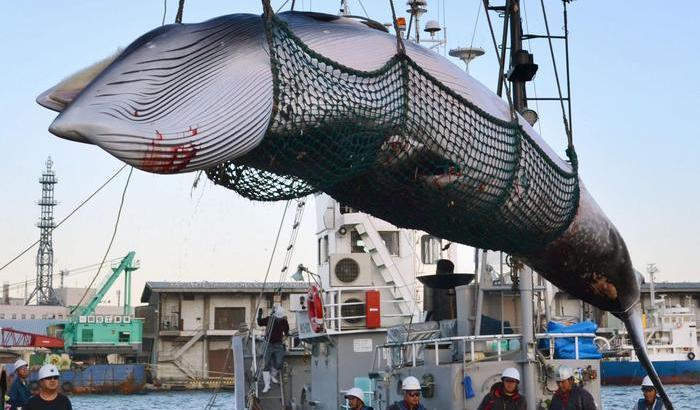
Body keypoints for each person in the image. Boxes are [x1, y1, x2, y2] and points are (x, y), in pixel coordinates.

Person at [257, 303, 289, 393]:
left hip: (278, 344)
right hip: (268, 343)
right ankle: (267, 385)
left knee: (279, 362)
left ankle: (272, 374)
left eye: (281, 317)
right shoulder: (270, 319)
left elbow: (286, 332)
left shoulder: (284, 321)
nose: (279, 319)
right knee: (265, 363)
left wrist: (285, 337)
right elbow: (260, 323)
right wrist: (259, 315)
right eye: (278, 317)